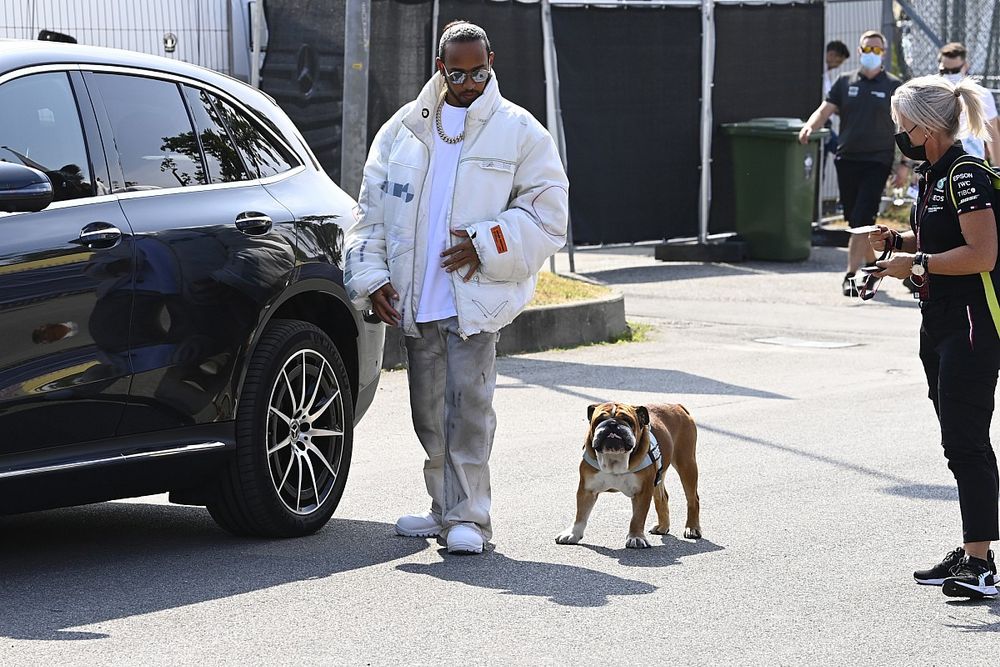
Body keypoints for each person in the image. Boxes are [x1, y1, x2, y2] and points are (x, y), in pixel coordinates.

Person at [344, 21, 569, 555]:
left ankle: (471, 517)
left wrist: (488, 242)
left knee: (468, 409)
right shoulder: (403, 130)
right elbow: (370, 213)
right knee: (428, 411)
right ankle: (442, 509)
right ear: (440, 68)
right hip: (416, 299)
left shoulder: (520, 130)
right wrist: (372, 277)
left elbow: (549, 214)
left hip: (474, 300)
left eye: (479, 71)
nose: (468, 82)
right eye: (458, 72)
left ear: (492, 61)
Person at [867, 75, 999, 599]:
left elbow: (982, 253)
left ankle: (982, 564)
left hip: (973, 321)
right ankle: (974, 550)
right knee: (958, 439)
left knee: (965, 439)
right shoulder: (933, 174)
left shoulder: (967, 173)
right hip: (939, 318)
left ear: (924, 127)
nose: (898, 134)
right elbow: (941, 236)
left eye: (901, 126)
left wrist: (914, 262)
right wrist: (899, 241)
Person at [799, 30, 902, 297]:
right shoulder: (845, 82)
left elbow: (905, 125)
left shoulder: (893, 85)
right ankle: (871, 264)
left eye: (877, 50)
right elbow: (825, 109)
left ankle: (851, 275)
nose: (872, 54)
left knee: (860, 219)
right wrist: (810, 127)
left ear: (884, 52)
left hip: (878, 160)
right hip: (847, 160)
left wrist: (905, 164)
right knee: (858, 220)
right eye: (867, 49)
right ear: (859, 51)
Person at [937, 42, 1000, 164]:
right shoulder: (931, 94)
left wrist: (998, 169)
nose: (950, 75)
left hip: (972, 163)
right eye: (945, 71)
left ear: (965, 66)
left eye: (954, 70)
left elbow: (993, 135)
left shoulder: (981, 94)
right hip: (939, 162)